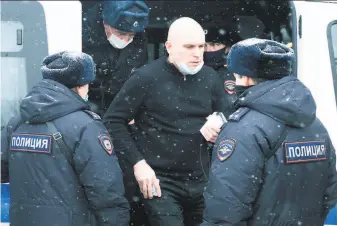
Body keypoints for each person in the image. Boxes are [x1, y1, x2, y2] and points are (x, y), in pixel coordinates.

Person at [103, 17, 231, 226]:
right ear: (169, 47)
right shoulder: (146, 77)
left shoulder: (210, 78)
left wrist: (220, 120)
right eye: (189, 46)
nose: (198, 53)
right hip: (158, 179)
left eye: (201, 46)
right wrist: (138, 163)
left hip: (201, 178)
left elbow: (230, 113)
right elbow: (113, 121)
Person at [201, 38, 337, 226]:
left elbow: (225, 210)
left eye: (236, 76)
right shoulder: (316, 126)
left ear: (246, 78)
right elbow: (329, 196)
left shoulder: (243, 129)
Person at [1, 51, 130, 226]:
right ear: (80, 85)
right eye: (88, 84)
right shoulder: (86, 126)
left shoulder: (16, 124)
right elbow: (105, 189)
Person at [82, 0, 150, 116]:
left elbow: (139, 77)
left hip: (120, 107)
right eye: (121, 33)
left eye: (131, 35)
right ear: (105, 23)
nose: (126, 40)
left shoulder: (138, 38)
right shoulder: (81, 35)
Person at [203, 26, 241, 115]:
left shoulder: (235, 74)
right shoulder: (190, 71)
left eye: (214, 44)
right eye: (203, 45)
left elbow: (230, 109)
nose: (208, 50)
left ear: (227, 48)